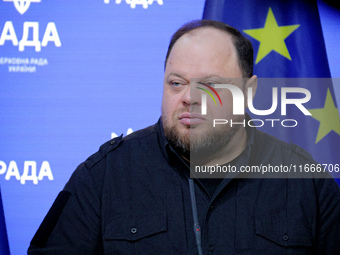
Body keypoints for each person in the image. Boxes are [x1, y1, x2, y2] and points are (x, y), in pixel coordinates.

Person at [28, 20, 340, 255]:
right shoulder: (103, 177)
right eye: (176, 83)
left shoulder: (305, 182)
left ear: (248, 91)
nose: (190, 98)